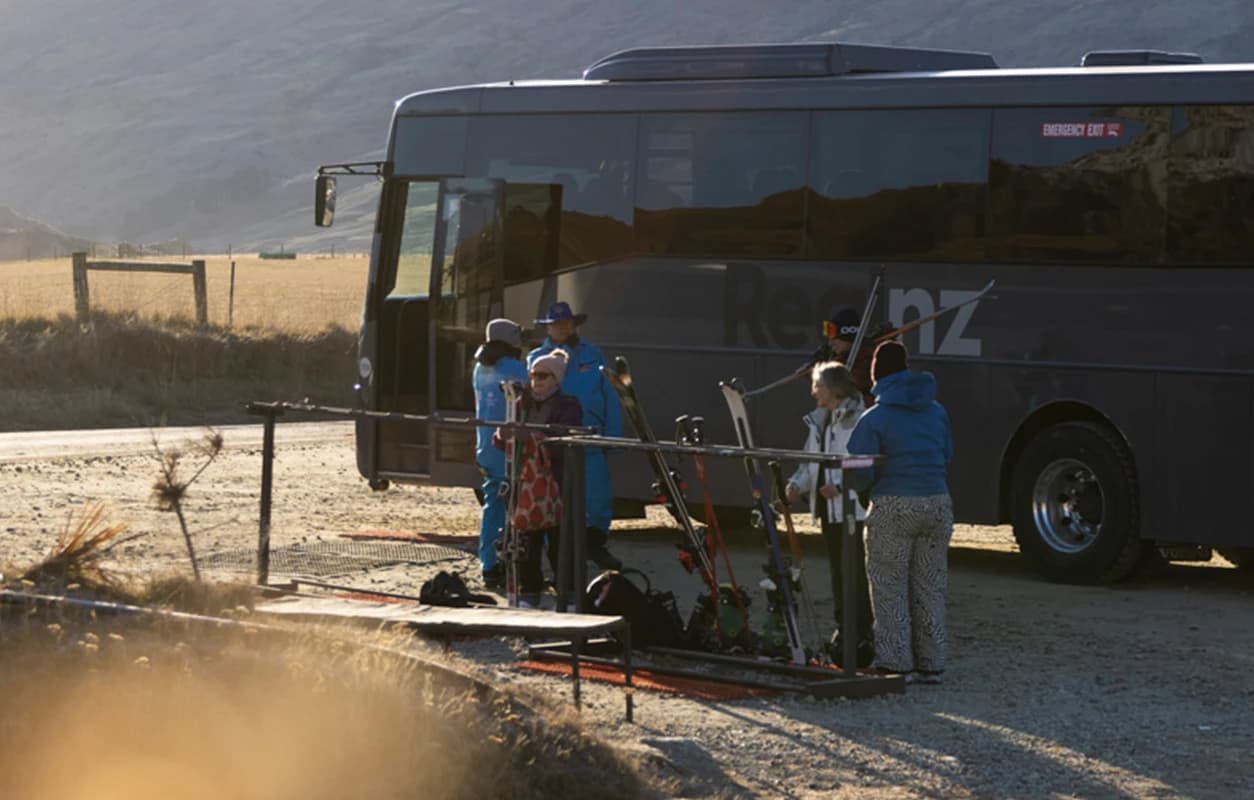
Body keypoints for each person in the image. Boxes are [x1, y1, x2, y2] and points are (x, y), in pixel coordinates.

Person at [846, 340, 955, 685]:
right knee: (930, 586)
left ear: (877, 375)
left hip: (894, 504)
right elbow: (947, 453)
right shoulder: (937, 410)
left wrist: (857, 486)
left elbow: (858, 467)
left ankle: (895, 663)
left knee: (889, 585)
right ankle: (931, 663)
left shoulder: (874, 417)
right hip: (938, 502)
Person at [784, 362, 873, 667]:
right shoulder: (821, 422)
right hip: (828, 510)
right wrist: (796, 484)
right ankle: (845, 630)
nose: (813, 392)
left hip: (851, 510)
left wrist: (837, 485)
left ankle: (862, 632)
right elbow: (812, 461)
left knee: (855, 573)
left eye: (818, 385)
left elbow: (865, 461)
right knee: (838, 572)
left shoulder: (858, 420)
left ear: (833, 388)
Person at [528, 301, 624, 571]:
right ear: (548, 327)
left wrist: (613, 435)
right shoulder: (537, 357)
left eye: (568, 322)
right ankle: (559, 558)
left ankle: (595, 544)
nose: (564, 327)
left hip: (591, 437)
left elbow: (610, 394)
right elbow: (531, 397)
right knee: (553, 498)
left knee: (597, 497)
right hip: (554, 443)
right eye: (558, 324)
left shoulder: (593, 354)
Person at [494, 350, 583, 608]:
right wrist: (503, 434)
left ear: (555, 379)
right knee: (526, 543)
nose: (537, 380)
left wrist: (531, 438)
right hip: (526, 483)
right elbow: (503, 443)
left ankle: (568, 596)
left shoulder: (568, 405)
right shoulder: (522, 403)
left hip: (556, 483)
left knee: (560, 544)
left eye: (543, 375)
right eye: (533, 374)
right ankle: (529, 594)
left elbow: (565, 440)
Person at [471, 318, 528, 590]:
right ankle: (513, 561)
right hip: (506, 447)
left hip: (484, 445)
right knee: (516, 504)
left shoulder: (480, 369)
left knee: (492, 504)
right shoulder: (515, 368)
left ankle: (488, 563)